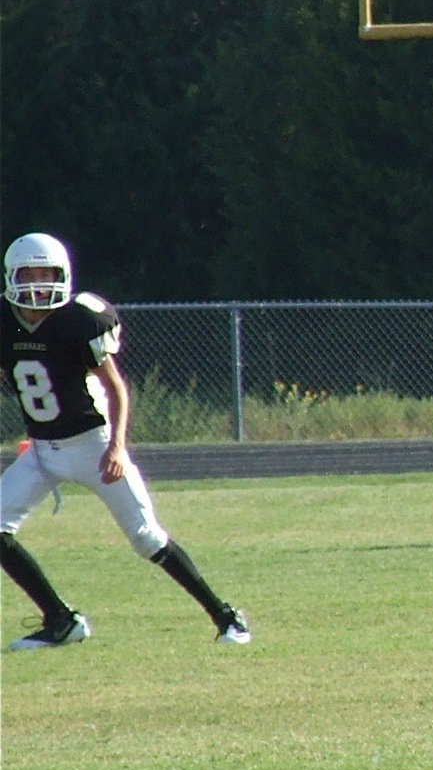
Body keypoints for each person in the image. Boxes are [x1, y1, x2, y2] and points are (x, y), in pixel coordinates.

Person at [0, 232, 251, 649]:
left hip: (92, 446)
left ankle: (226, 616)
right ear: (13, 275)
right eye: (30, 274)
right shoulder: (5, 321)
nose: (38, 284)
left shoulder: (79, 321)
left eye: (46, 274)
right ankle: (61, 620)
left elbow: (116, 389)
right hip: (43, 450)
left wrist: (116, 446)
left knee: (146, 537)